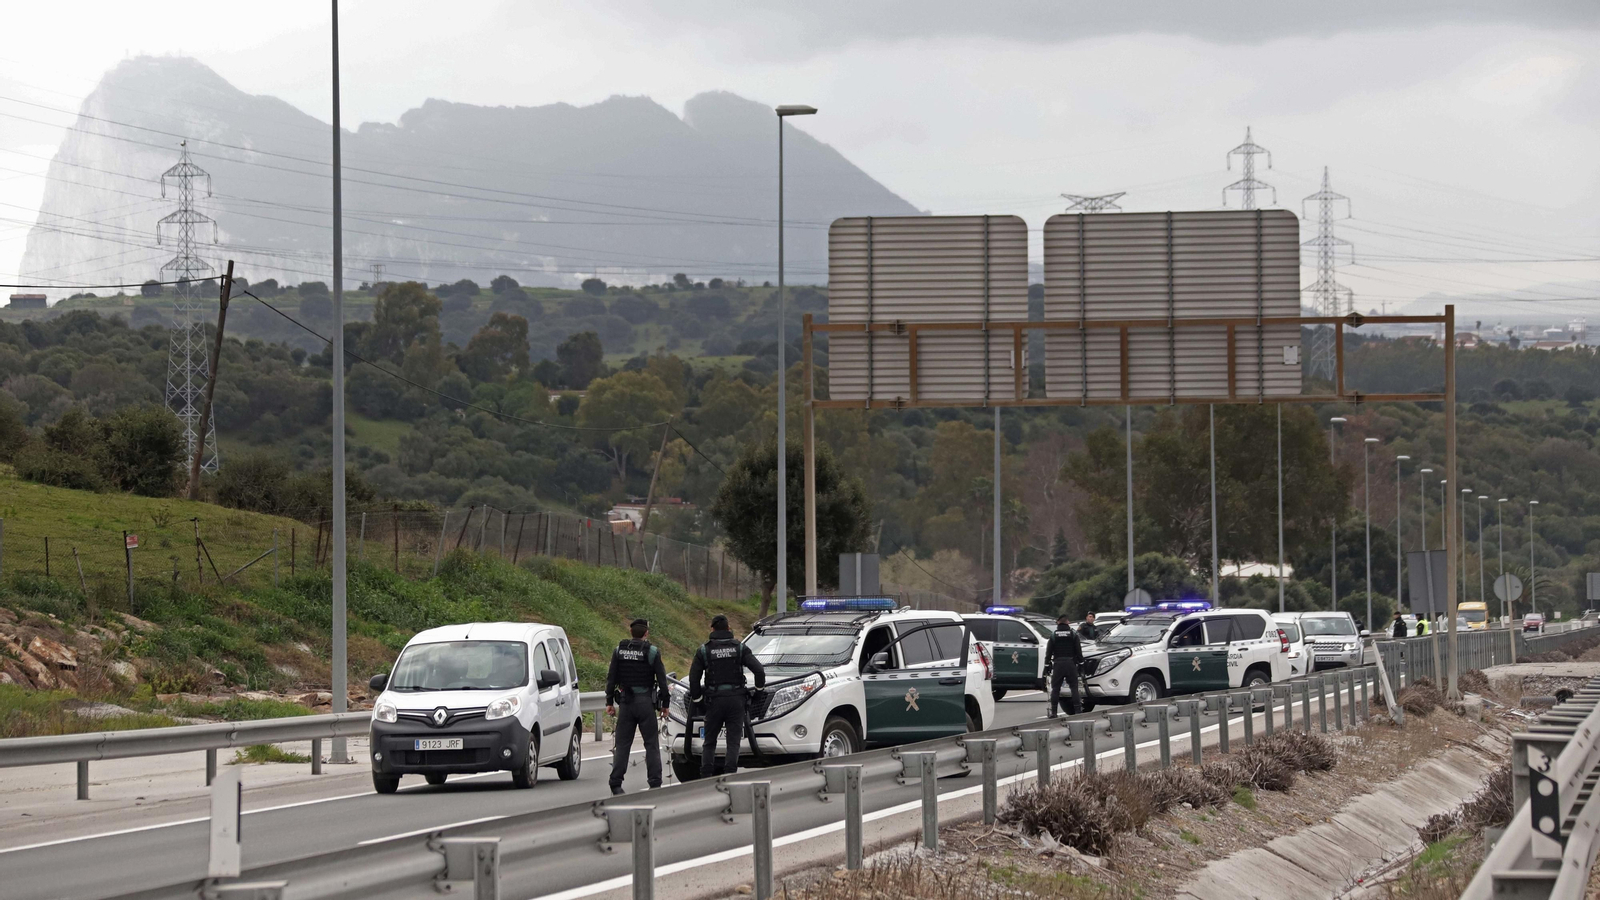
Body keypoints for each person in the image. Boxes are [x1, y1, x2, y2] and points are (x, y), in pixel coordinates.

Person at [689, 614, 766, 778]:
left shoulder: (704, 650)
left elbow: (693, 679)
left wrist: (698, 701)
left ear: (712, 629)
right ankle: (730, 775)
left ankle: (706, 775)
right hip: (736, 700)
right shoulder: (739, 648)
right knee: (733, 741)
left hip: (713, 701)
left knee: (709, 742)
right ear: (729, 629)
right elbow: (759, 670)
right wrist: (758, 693)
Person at [605, 618, 669, 795]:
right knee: (651, 744)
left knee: (622, 745)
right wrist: (665, 704)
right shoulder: (652, 652)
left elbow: (611, 678)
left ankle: (616, 783)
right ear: (646, 633)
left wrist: (609, 702)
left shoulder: (619, 651)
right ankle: (655, 783)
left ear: (630, 632)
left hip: (626, 703)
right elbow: (662, 681)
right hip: (646, 703)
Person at [1046, 614, 1083, 718]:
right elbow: (1078, 651)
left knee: (1056, 688)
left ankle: (1054, 712)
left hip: (1058, 664)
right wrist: (1081, 664)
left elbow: (1048, 653)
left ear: (1058, 623)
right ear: (1068, 622)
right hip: (1070, 663)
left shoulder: (1053, 635)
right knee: (1074, 688)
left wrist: (1046, 665)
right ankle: (1078, 711)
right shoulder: (1073, 634)